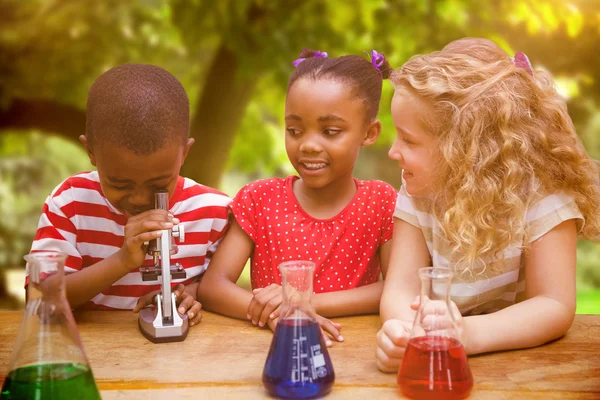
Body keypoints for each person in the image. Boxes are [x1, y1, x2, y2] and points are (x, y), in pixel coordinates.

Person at [376, 37, 600, 371]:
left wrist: (467, 335)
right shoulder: (417, 191)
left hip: (520, 365)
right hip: (437, 355)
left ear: (465, 146)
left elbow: (553, 304)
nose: (393, 151)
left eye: (408, 139)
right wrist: (404, 331)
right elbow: (401, 288)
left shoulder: (543, 195)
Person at [198, 49, 397, 345]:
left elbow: (394, 289)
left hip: (354, 349)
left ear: (369, 132)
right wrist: (282, 315)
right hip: (272, 348)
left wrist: (300, 302)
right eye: (294, 130)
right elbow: (213, 286)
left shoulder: (381, 202)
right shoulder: (259, 199)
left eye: (330, 131)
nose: (308, 145)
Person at [28, 64, 231, 326]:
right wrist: (122, 261)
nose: (137, 199)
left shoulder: (216, 213)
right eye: (120, 183)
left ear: (185, 154)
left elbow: (218, 287)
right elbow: (40, 301)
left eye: (158, 183)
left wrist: (188, 295)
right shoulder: (70, 203)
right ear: (91, 152)